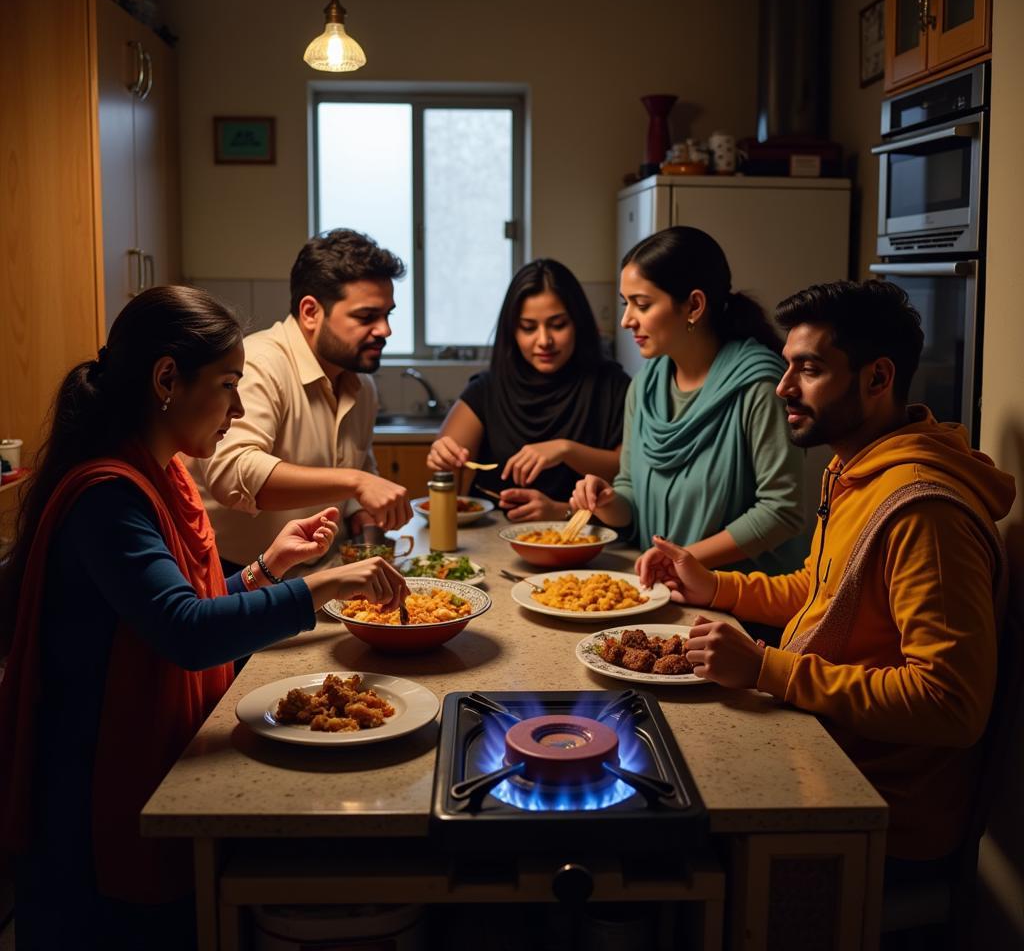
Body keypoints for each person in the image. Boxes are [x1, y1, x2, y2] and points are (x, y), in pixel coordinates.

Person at [0, 286, 409, 950]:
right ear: (167, 380)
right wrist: (324, 585)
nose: (239, 407)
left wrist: (266, 569)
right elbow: (183, 632)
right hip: (90, 793)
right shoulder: (110, 493)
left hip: (129, 756)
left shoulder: (162, 475)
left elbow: (173, 604)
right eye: (226, 385)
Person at [636, 279, 1014, 867]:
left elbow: (950, 704)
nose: (783, 387)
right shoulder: (854, 468)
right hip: (819, 744)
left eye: (807, 369)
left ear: (878, 378)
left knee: (654, 833)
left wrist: (767, 668)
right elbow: (822, 590)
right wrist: (716, 587)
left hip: (874, 807)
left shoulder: (924, 512)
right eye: (788, 366)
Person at [571, 226, 806, 572]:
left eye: (642, 304)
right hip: (667, 586)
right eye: (626, 304)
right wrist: (606, 500)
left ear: (694, 305)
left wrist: (686, 559)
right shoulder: (643, 388)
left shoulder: (760, 386)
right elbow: (631, 495)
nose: (625, 320)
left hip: (741, 601)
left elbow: (781, 510)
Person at [188, 228, 413, 574]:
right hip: (232, 577)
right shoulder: (259, 364)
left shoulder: (361, 384)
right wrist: (357, 482)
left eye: (388, 315)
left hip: (315, 572)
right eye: (367, 317)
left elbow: (358, 468)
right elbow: (234, 473)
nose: (385, 330)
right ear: (310, 311)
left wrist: (363, 513)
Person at [426, 259, 631, 521]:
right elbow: (443, 488)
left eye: (558, 325)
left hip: (584, 539)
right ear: (512, 331)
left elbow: (628, 471)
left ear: (578, 324)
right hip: (492, 540)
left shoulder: (612, 386)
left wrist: (566, 450)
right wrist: (442, 460)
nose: (544, 340)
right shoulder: (486, 389)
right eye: (528, 328)